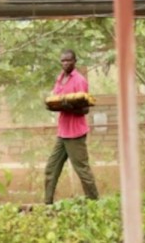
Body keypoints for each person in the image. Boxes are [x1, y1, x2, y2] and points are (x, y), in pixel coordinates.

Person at [44, 49, 99, 204]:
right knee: (51, 169)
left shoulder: (79, 80)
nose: (65, 63)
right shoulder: (60, 78)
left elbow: (85, 108)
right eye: (63, 61)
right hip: (62, 132)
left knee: (82, 170)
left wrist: (70, 107)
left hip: (75, 133)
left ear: (75, 61)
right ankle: (47, 204)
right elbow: (55, 100)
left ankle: (95, 203)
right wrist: (51, 105)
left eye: (68, 60)